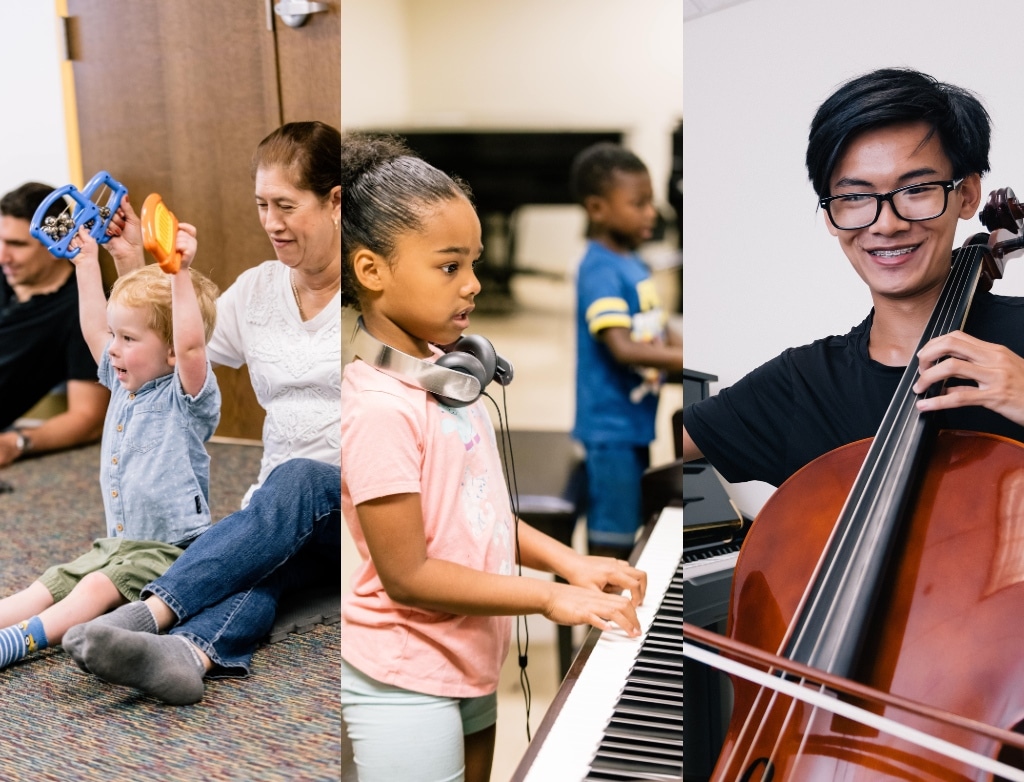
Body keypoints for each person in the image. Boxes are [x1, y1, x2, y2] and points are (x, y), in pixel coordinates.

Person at [338, 133, 648, 782]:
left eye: (474, 263)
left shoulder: (451, 378)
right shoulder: (378, 410)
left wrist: (568, 562)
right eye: (450, 266)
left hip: (472, 649)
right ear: (371, 270)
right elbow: (409, 575)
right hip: (405, 674)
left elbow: (477, 516)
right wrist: (545, 598)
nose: (473, 285)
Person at [61, 121, 342, 705]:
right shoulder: (259, 289)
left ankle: (148, 613)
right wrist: (130, 257)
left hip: (359, 511)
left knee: (296, 483)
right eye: (262, 205)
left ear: (336, 200)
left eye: (286, 206)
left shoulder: (374, 289)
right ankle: (189, 656)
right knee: (249, 565)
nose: (271, 222)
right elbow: (164, 354)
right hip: (278, 514)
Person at [683, 68, 1024, 490]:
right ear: (830, 214)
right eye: (856, 197)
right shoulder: (803, 383)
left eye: (916, 190)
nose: (887, 224)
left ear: (967, 195)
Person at [0, 221, 220, 671]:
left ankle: (20, 642)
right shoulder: (122, 384)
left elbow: (193, 345)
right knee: (51, 582)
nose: (113, 350)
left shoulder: (184, 393)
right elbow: (94, 331)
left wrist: (178, 272)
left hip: (169, 550)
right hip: (118, 543)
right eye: (116, 337)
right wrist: (84, 265)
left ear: (172, 350)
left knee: (95, 589)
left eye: (129, 339)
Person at [569, 142, 684, 560]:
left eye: (650, 202)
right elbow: (622, 347)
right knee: (614, 534)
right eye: (638, 204)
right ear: (597, 208)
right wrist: (685, 360)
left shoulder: (632, 262)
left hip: (631, 421)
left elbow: (656, 329)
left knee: (631, 516)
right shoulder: (600, 269)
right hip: (610, 427)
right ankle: (601, 612)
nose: (650, 212)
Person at [0, 182, 109, 468]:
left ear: (55, 241)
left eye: (17, 245)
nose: (3, 257)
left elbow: (88, 418)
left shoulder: (83, 307)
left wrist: (16, 443)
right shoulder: (7, 274)